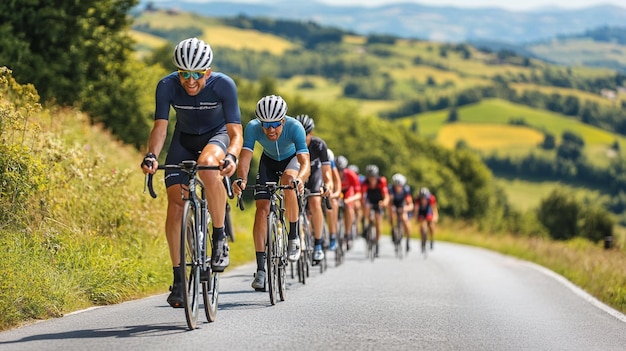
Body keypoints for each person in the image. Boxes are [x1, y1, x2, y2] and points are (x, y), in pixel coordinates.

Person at [141, 38, 243, 308]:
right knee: (175, 206)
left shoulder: (223, 85)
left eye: (198, 74)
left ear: (208, 72)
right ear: (178, 72)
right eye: (184, 73)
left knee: (209, 169)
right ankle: (178, 279)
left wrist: (231, 156)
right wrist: (151, 155)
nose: (191, 80)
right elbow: (160, 128)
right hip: (183, 141)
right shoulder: (166, 86)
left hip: (216, 137)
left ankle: (219, 238)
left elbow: (236, 133)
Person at [233, 95, 310, 291]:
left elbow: (304, 162)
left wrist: (300, 178)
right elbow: (245, 159)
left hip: (290, 161)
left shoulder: (295, 127)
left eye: (275, 124)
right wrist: (241, 179)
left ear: (283, 120)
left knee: (288, 181)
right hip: (268, 162)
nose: (270, 130)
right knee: (261, 209)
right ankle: (260, 270)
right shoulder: (252, 127)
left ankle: (293, 236)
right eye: (266, 125)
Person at [295, 114, 333, 262]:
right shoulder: (291, 144)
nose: (302, 138)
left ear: (311, 133)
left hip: (315, 175)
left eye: (306, 135)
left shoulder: (319, 145)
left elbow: (326, 172)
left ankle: (318, 244)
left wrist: (327, 185)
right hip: (298, 175)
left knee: (315, 202)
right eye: (299, 134)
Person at [361, 164, 389, 257]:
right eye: (370, 177)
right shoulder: (365, 183)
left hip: (378, 201)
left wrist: (384, 202)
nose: (371, 180)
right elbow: (363, 196)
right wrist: (364, 203)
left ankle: (377, 242)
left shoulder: (381, 182)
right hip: (369, 200)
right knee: (367, 208)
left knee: (378, 221)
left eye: (373, 177)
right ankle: (366, 224)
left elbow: (386, 196)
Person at [336, 155, 361, 250]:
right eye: (337, 170)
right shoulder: (332, 173)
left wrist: (349, 200)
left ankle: (347, 233)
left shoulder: (351, 175)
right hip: (337, 191)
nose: (339, 172)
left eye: (341, 170)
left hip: (348, 192)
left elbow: (358, 194)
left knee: (349, 208)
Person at [388, 173, 414, 252]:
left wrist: (405, 208)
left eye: (399, 185)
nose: (397, 187)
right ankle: (393, 230)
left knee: (404, 218)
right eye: (396, 185)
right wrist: (391, 209)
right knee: (392, 216)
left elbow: (410, 204)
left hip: (403, 205)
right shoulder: (391, 190)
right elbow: (389, 202)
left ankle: (408, 239)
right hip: (394, 205)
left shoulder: (406, 190)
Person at [326, 149, 342, 251]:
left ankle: (333, 235)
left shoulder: (331, 163)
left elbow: (337, 181)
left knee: (333, 204)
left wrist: (336, 194)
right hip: (316, 188)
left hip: (329, 190)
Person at [414, 187, 439, 252]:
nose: (423, 200)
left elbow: (434, 208)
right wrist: (416, 218)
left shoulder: (431, 198)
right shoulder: (417, 199)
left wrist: (435, 216)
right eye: (422, 198)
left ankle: (432, 239)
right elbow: (416, 210)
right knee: (422, 226)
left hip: (428, 211)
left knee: (431, 225)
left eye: (425, 198)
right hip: (421, 212)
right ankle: (422, 240)